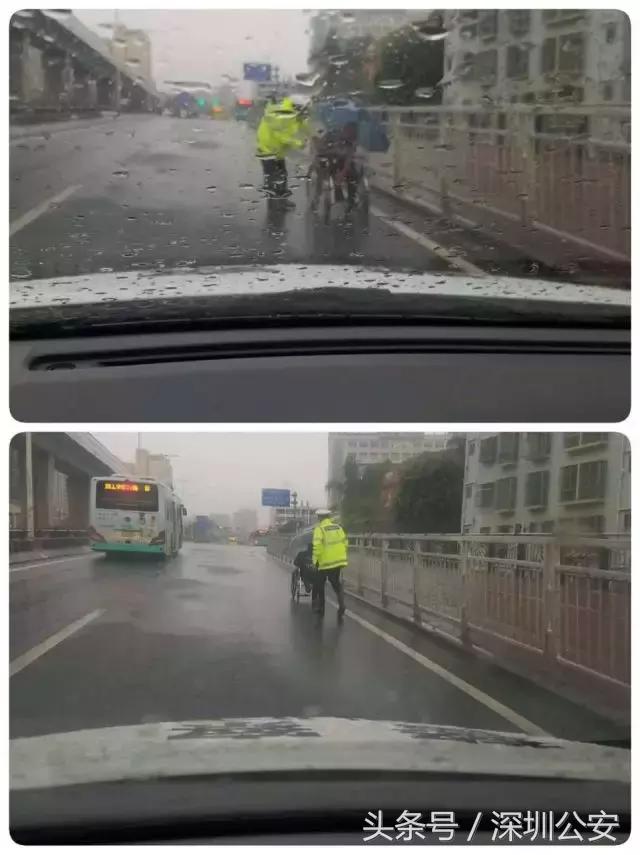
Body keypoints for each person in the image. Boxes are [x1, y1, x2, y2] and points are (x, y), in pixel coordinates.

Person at [256, 96, 310, 208]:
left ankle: (281, 201)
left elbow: (300, 125)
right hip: (268, 150)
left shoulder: (292, 114)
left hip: (277, 150)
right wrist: (298, 143)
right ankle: (273, 203)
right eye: (304, 109)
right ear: (298, 107)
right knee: (272, 176)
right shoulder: (282, 113)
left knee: (282, 175)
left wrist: (314, 132)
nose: (305, 112)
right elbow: (282, 136)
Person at [310, 120, 360, 211]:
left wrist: (343, 173)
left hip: (340, 159)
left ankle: (351, 199)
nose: (349, 136)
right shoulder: (332, 134)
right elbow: (319, 147)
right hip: (326, 156)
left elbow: (349, 158)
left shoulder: (352, 141)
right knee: (321, 175)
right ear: (344, 129)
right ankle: (316, 198)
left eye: (352, 135)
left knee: (353, 174)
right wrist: (327, 148)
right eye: (348, 132)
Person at [311, 509, 347, 619]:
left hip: (325, 562)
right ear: (329, 517)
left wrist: (314, 561)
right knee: (336, 584)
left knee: (319, 584)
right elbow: (345, 542)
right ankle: (342, 604)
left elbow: (317, 546)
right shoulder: (338, 527)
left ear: (319, 518)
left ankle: (321, 608)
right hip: (338, 561)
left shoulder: (319, 529)